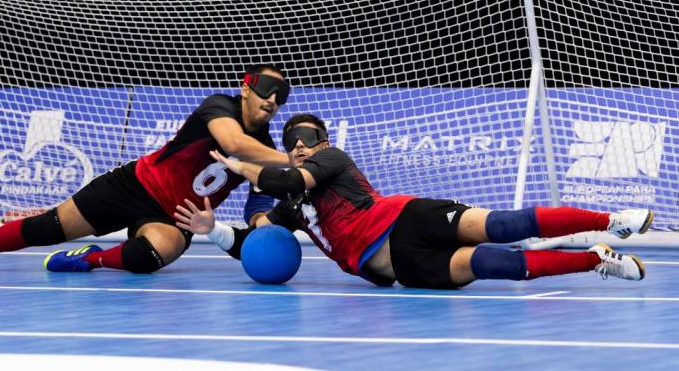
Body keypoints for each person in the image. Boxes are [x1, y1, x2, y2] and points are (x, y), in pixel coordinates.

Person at [173, 113, 653, 289]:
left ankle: (614, 219)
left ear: (321, 142)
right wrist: (211, 231)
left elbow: (286, 177)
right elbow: (255, 243)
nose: (300, 144)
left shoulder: (331, 161)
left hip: (407, 219)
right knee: (494, 265)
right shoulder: (292, 204)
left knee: (506, 225)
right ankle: (595, 260)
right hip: (396, 267)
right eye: (292, 139)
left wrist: (241, 165)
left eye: (308, 137)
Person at [0, 65, 292, 274]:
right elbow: (234, 144)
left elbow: (256, 205)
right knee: (46, 228)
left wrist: (262, 229)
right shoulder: (219, 106)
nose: (273, 100)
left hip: (175, 216)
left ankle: (89, 260)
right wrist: (293, 161)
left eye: (281, 97)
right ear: (245, 88)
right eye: (267, 90)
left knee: (154, 256)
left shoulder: (268, 152)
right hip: (134, 185)